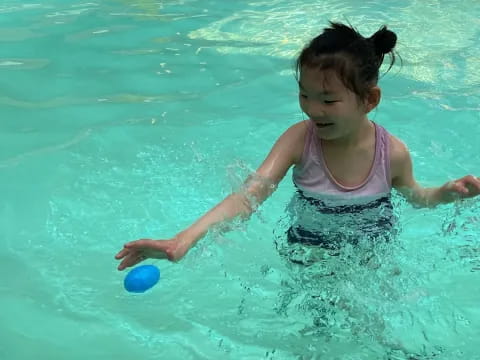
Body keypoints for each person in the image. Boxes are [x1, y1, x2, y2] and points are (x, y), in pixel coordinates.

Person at [115, 22, 480, 271]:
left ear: (369, 100)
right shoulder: (299, 140)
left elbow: (416, 197)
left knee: (373, 330)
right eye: (304, 95)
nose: (312, 108)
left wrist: (446, 193)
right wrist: (184, 240)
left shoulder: (392, 153)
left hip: (370, 251)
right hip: (307, 247)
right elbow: (248, 196)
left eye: (328, 99)